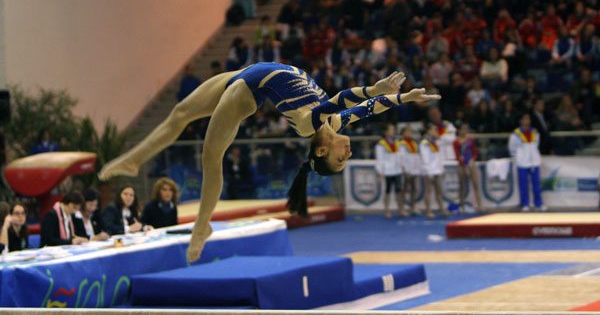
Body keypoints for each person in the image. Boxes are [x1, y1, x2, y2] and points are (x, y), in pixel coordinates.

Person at [99, 63, 441, 262]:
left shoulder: (314, 123)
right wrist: (402, 97)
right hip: (249, 72)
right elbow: (367, 108)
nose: (348, 154)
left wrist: (371, 89)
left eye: (340, 159)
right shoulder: (335, 124)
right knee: (180, 113)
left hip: (245, 94)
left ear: (321, 151)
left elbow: (342, 98)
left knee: (211, 155)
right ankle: (133, 159)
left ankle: (202, 226)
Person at [508, 113, 545, 211]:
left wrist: (534, 156)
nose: (526, 121)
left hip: (534, 162)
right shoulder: (515, 134)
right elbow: (512, 148)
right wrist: (518, 158)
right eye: (524, 119)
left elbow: (536, 145)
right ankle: (525, 204)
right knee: (523, 185)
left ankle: (538, 204)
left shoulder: (535, 132)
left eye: (528, 119)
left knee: (536, 184)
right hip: (522, 163)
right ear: (520, 121)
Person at [375, 124, 404, 218]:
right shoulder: (381, 144)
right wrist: (381, 171)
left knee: (399, 191)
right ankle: (387, 210)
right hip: (387, 171)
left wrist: (402, 166)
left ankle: (400, 209)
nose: (393, 131)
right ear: (386, 132)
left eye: (393, 129)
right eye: (390, 130)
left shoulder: (397, 142)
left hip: (397, 170)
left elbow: (400, 155)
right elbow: (380, 159)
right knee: (387, 191)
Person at [420, 123, 449, 219]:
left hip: (437, 169)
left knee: (439, 190)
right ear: (428, 131)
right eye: (433, 130)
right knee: (428, 190)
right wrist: (429, 171)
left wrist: (442, 168)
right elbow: (425, 159)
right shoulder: (424, 143)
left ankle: (442, 209)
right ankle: (428, 211)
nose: (436, 132)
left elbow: (439, 157)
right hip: (429, 170)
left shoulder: (436, 142)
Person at [453, 124, 483, 213]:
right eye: (463, 129)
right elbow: (457, 155)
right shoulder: (456, 142)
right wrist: (463, 164)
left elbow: (474, 152)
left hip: (471, 163)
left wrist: (472, 160)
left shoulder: (470, 140)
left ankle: (479, 204)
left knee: (476, 184)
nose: (464, 131)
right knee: (462, 186)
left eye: (466, 129)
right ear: (459, 131)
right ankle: (461, 206)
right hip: (462, 165)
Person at [398, 126, 420, 216]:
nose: (410, 133)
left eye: (411, 132)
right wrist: (404, 168)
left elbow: (415, 156)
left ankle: (412, 206)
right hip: (406, 168)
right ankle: (402, 208)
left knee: (413, 187)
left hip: (413, 167)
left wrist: (417, 168)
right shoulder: (401, 143)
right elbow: (401, 157)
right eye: (408, 132)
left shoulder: (413, 143)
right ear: (403, 133)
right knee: (404, 188)